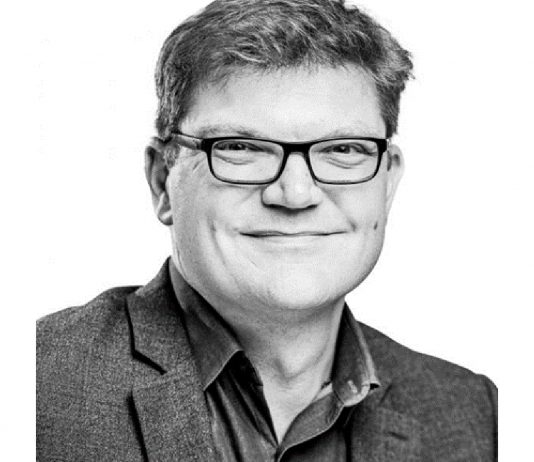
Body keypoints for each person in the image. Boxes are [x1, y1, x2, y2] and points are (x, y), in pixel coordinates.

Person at [36, 0, 497, 460]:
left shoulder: (475, 415)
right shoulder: (35, 385)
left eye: (343, 149)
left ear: (387, 182)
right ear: (162, 181)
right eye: (241, 148)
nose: (295, 194)